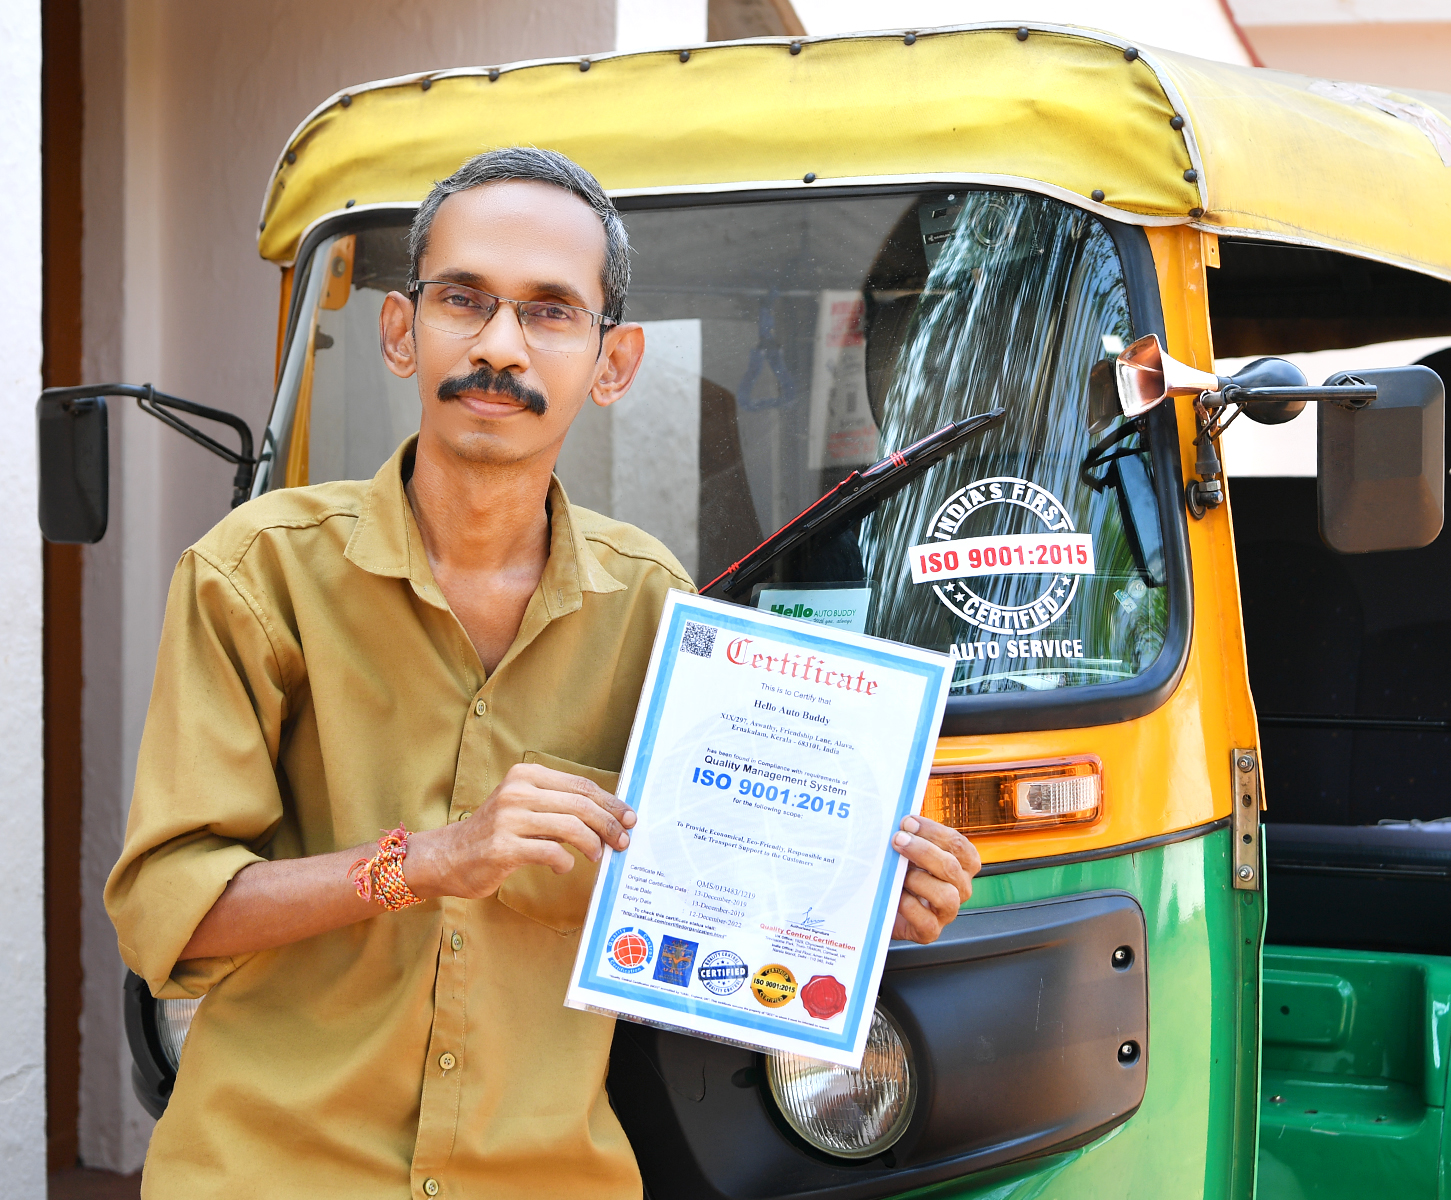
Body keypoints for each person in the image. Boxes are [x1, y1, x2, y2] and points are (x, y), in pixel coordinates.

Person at [105, 147, 981, 1199]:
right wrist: (427, 861)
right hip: (269, 1172)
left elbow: (693, 915)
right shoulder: (255, 575)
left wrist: (853, 907)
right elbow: (168, 912)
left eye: (551, 311)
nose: (499, 345)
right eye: (463, 299)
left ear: (612, 364)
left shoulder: (655, 608)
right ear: (400, 329)